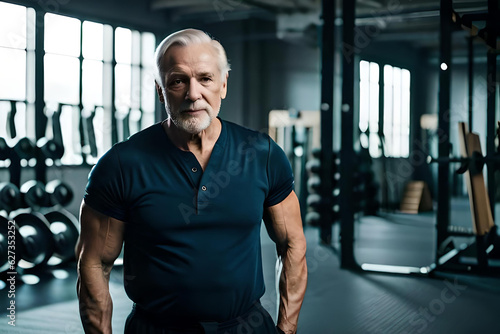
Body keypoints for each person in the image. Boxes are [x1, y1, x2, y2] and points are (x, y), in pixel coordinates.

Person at [76, 28, 307, 334]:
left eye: (205, 78)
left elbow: (292, 244)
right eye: (177, 80)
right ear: (161, 90)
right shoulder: (121, 164)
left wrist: (286, 330)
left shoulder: (262, 155)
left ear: (223, 84)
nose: (193, 93)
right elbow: (94, 264)